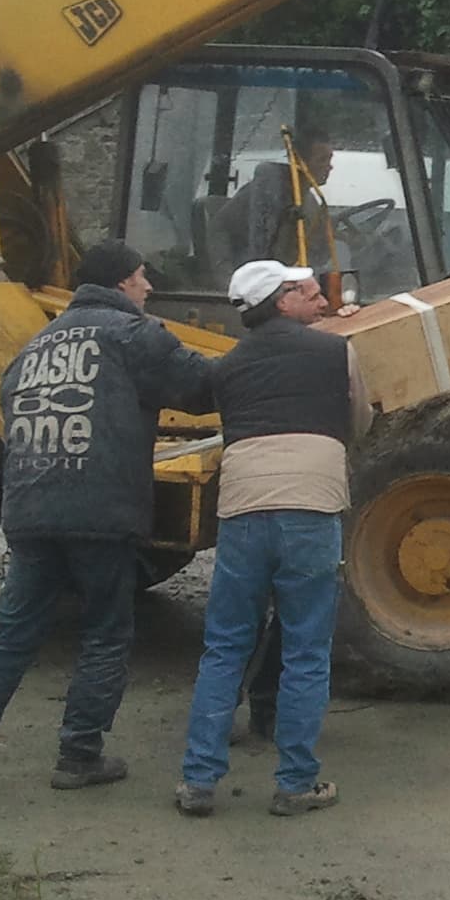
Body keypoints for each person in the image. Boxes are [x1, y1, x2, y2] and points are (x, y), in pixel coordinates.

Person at [0, 239, 215, 794]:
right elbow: (201, 386)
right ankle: (79, 755)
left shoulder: (34, 347)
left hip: (32, 510)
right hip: (101, 512)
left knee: (13, 633)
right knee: (106, 632)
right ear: (118, 284)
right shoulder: (134, 335)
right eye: (140, 277)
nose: (148, 287)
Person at [175, 258, 370, 818]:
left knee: (225, 646)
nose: (314, 294)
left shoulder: (226, 367)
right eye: (300, 287)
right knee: (307, 649)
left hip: (241, 510)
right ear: (281, 302)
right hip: (311, 507)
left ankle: (198, 781)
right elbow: (360, 420)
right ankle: (295, 783)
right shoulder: (337, 351)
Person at [225, 125, 335, 265]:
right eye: (322, 160)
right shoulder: (263, 195)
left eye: (329, 159)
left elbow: (316, 253)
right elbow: (219, 232)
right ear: (298, 161)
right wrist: (228, 279)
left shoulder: (310, 201)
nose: (330, 167)